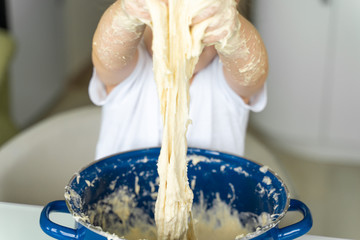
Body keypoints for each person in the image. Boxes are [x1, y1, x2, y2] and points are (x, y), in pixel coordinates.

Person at [89, 0, 268, 160]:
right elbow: (108, 58)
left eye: (201, 24)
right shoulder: (129, 71)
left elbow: (252, 74)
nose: (185, 36)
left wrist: (234, 32)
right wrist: (126, 12)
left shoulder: (227, 80)